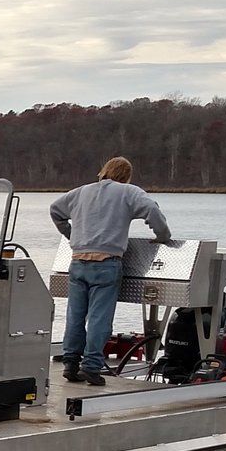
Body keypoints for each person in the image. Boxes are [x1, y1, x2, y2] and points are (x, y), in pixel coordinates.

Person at [49, 156, 172, 386]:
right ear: (126, 176)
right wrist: (162, 236)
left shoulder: (81, 192)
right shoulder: (128, 192)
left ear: (103, 171)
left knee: (75, 316)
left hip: (77, 261)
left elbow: (55, 210)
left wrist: (70, 234)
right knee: (99, 319)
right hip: (106, 264)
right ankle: (92, 367)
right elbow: (152, 210)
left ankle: (70, 363)